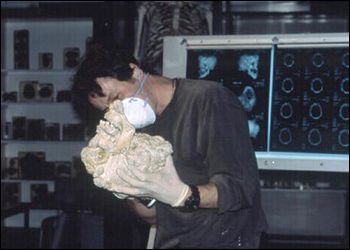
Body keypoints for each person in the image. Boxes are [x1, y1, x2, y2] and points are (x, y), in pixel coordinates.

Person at [72, 44, 268, 249]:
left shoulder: (208, 100)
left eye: (117, 98)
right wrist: (131, 189)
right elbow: (153, 217)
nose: (119, 112)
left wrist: (183, 195)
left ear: (135, 71)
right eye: (109, 109)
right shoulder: (134, 132)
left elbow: (241, 189)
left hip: (228, 240)